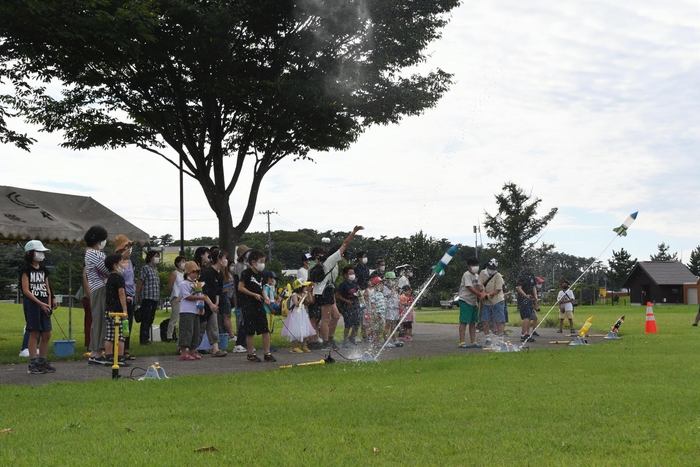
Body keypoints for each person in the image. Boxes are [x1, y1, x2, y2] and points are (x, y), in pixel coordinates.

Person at [311, 225, 364, 349]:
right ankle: (326, 342)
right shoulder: (331, 259)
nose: (344, 255)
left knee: (335, 316)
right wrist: (354, 232)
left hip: (325, 290)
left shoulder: (330, 262)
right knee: (325, 318)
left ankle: (329, 339)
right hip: (325, 290)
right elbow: (345, 243)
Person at [21, 240, 57, 374]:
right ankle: (33, 363)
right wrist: (40, 303)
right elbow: (26, 290)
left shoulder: (44, 270)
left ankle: (42, 361)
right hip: (32, 303)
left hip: (44, 302)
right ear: (30, 253)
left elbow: (47, 287)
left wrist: (50, 300)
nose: (41, 255)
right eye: (38, 252)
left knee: (47, 333)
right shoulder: (26, 270)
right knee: (35, 332)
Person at [237, 249, 276, 362]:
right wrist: (253, 294)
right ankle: (250, 354)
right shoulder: (246, 273)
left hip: (259, 305)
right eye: (261, 261)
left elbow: (262, 288)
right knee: (250, 330)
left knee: (265, 329)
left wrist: (266, 297)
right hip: (248, 305)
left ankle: (267, 353)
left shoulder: (262, 275)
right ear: (254, 262)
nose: (262, 264)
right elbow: (241, 287)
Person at [84, 225, 110, 364]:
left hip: (96, 288)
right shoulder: (95, 253)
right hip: (100, 289)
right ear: (99, 240)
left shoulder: (89, 253)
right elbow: (108, 269)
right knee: (101, 320)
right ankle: (98, 353)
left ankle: (94, 352)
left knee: (97, 320)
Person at [103, 253, 130, 367]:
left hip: (109, 310)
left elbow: (112, 293)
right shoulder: (119, 278)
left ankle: (109, 357)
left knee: (109, 335)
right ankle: (119, 357)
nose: (123, 264)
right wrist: (125, 310)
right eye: (121, 262)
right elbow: (121, 293)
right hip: (118, 311)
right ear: (115, 265)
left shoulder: (109, 278)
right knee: (120, 336)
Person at [178, 261, 207, 360]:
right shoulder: (184, 284)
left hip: (195, 311)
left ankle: (192, 350)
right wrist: (201, 297)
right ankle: (183, 352)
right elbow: (187, 297)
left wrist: (201, 307)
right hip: (186, 311)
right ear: (187, 273)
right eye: (193, 272)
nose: (196, 275)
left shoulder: (197, 285)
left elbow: (199, 297)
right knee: (186, 331)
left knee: (195, 331)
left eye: (197, 273)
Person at [200, 249, 225, 357]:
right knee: (200, 327)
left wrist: (216, 302)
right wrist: (210, 304)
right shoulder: (207, 273)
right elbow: (203, 291)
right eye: (224, 258)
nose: (226, 261)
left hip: (213, 303)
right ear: (219, 260)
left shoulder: (220, 275)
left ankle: (216, 349)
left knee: (214, 325)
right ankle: (189, 348)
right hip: (203, 302)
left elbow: (218, 291)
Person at [115, 235, 136, 360]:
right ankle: (119, 350)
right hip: (122, 294)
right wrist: (121, 259)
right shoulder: (116, 262)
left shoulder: (131, 262)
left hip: (131, 294)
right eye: (126, 247)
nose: (129, 249)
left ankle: (125, 349)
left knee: (129, 324)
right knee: (122, 323)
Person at [281, 279, 316, 353]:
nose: (306, 288)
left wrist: (308, 292)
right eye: (304, 286)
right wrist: (303, 298)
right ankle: (294, 346)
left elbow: (310, 300)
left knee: (306, 328)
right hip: (296, 314)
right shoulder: (294, 295)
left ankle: (304, 345)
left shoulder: (303, 294)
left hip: (303, 313)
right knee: (297, 330)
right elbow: (297, 304)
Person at [479, 258, 506, 347]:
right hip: (486, 302)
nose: (492, 270)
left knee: (499, 321)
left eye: (494, 268)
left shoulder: (498, 276)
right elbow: (480, 284)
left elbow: (498, 289)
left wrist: (488, 294)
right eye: (491, 268)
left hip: (497, 300)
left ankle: (501, 340)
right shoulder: (483, 273)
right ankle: (488, 339)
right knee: (485, 320)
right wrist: (483, 292)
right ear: (487, 266)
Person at [136, 250, 160, 345]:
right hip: (147, 297)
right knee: (146, 318)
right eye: (156, 256)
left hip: (154, 297)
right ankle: (143, 339)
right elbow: (140, 281)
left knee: (151, 318)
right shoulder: (146, 268)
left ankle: (146, 337)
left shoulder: (155, 270)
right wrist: (137, 294)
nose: (157, 258)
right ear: (150, 257)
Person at [458, 257, 483, 349]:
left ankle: (473, 341)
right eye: (473, 265)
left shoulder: (477, 276)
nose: (475, 267)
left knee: (473, 322)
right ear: (469, 266)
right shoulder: (467, 275)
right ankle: (462, 341)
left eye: (477, 265)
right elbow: (470, 288)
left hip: (473, 302)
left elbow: (478, 288)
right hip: (465, 300)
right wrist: (480, 295)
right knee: (464, 322)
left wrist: (478, 301)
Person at [232, 244, 252, 353]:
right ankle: (239, 343)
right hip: (241, 297)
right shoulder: (238, 266)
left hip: (247, 296)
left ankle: (245, 343)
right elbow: (240, 283)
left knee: (247, 320)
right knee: (242, 320)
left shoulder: (247, 266)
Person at [336, 266, 361, 348]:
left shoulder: (355, 283)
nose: (352, 275)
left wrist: (361, 296)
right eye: (350, 273)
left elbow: (358, 291)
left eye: (353, 273)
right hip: (346, 306)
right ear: (345, 275)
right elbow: (337, 295)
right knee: (348, 323)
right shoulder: (343, 285)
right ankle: (345, 340)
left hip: (355, 304)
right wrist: (346, 301)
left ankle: (352, 336)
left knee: (357, 322)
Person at [516, 258, 539, 343]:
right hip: (523, 298)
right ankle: (524, 335)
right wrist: (525, 295)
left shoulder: (532, 275)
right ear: (524, 266)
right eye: (528, 265)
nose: (529, 267)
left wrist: (535, 296)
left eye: (530, 265)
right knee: (526, 317)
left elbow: (534, 286)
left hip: (530, 298)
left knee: (529, 316)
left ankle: (527, 334)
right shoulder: (521, 275)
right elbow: (519, 288)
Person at [167, 255, 186, 342]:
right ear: (178, 263)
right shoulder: (175, 274)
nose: (184, 263)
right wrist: (172, 294)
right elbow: (170, 286)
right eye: (182, 261)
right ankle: (169, 335)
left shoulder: (185, 274)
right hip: (176, 297)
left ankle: (181, 335)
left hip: (184, 298)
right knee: (175, 317)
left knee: (182, 318)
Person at [382, 271, 402, 347]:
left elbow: (396, 297)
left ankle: (394, 339)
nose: (393, 281)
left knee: (394, 325)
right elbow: (391, 295)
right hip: (389, 309)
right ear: (387, 280)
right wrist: (394, 288)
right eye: (391, 279)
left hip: (395, 309)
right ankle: (386, 341)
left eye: (393, 280)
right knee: (388, 325)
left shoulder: (394, 289)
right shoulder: (385, 288)